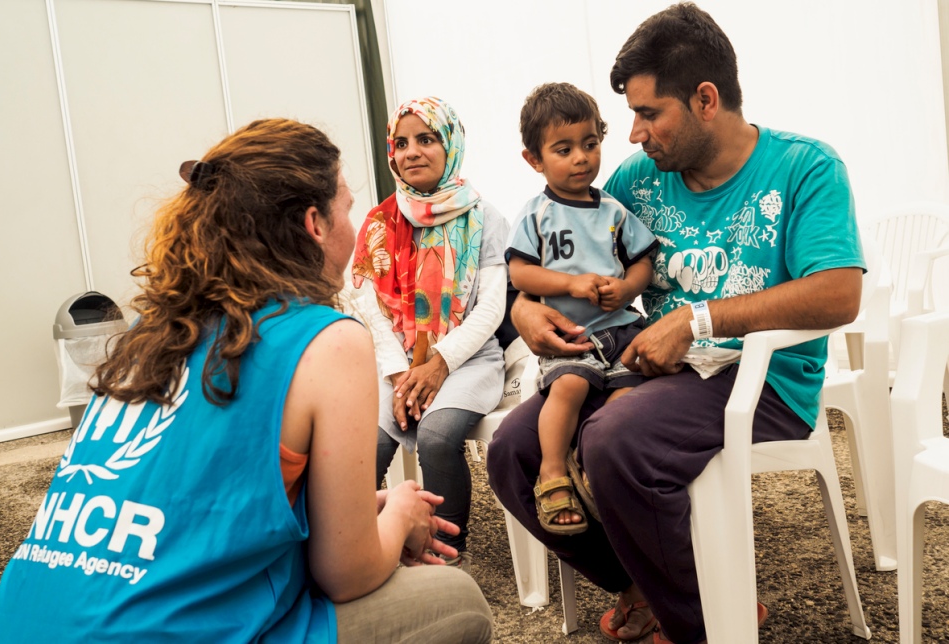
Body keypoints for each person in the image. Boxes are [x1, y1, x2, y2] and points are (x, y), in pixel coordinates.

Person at [0, 118, 493, 643]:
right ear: (315, 224)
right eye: (348, 208)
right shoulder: (327, 338)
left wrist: (359, 517)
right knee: (456, 602)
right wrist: (403, 517)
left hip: (23, 622)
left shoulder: (153, 329)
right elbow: (350, 574)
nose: (355, 223)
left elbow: (190, 500)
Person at [486, 4, 865, 644]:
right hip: (632, 368)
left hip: (760, 379)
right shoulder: (639, 182)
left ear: (705, 99)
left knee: (614, 439)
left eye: (648, 113)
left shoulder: (806, 169)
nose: (632, 135)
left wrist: (697, 319)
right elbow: (548, 258)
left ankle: (706, 624)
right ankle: (648, 585)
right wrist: (524, 311)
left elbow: (838, 294)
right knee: (514, 451)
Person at [352, 97, 508, 568]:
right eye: (401, 143)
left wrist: (439, 363)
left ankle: (446, 548)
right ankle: (354, 544)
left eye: (427, 139)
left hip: (469, 359)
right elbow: (366, 303)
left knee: (438, 436)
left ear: (451, 144)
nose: (411, 152)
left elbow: (491, 307)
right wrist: (403, 373)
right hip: (397, 366)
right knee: (367, 444)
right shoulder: (379, 223)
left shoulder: (484, 217)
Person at [506, 82, 656, 534]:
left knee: (628, 396)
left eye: (590, 144)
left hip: (622, 329)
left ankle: (593, 469)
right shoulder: (536, 215)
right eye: (563, 149)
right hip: (571, 334)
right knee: (568, 389)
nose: (580, 158)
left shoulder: (613, 210)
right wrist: (572, 282)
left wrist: (627, 289)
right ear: (534, 159)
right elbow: (521, 275)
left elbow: (643, 261)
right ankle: (553, 472)